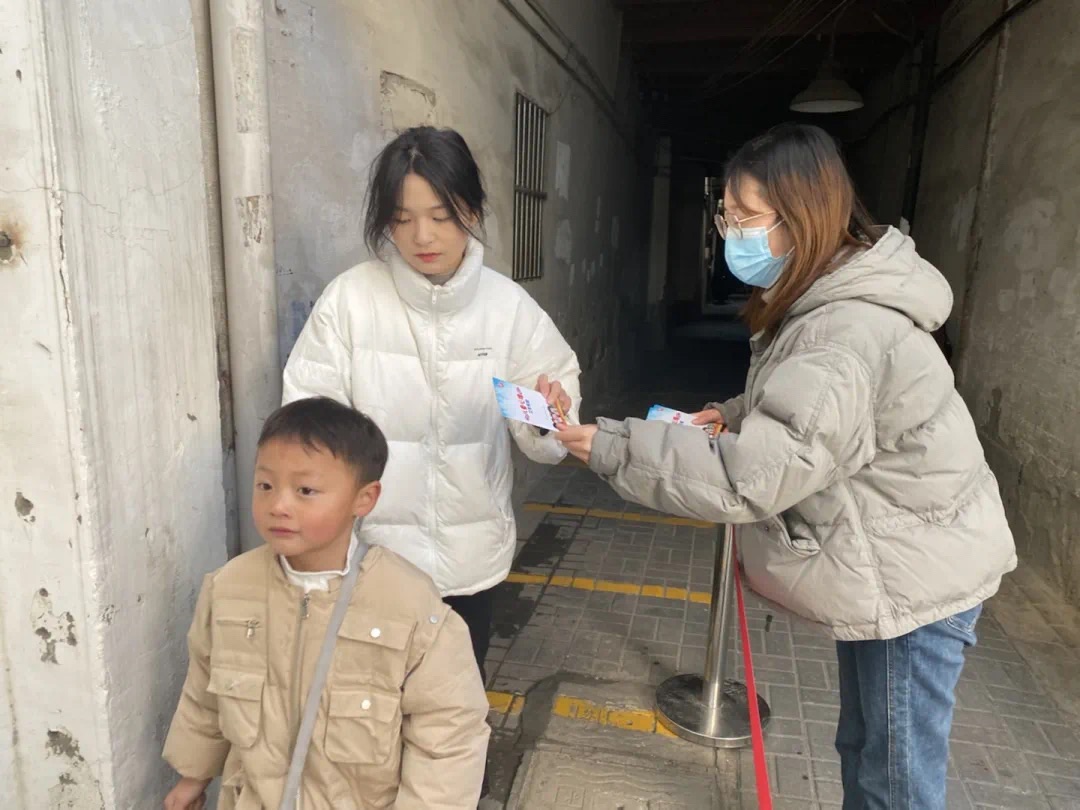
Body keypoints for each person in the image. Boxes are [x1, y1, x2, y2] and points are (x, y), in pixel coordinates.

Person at [555, 123, 1016, 810]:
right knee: (865, 750)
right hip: (895, 564)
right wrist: (731, 414)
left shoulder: (844, 332)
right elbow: (804, 407)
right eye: (726, 215)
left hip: (916, 583)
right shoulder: (828, 302)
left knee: (894, 781)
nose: (730, 233)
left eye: (745, 217)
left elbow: (749, 478)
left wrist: (615, 446)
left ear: (803, 217)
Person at [282, 126, 581, 685]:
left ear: (472, 209)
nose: (422, 235)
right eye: (402, 218)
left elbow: (549, 426)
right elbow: (309, 423)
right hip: (374, 559)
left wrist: (547, 416)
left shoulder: (508, 308)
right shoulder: (350, 301)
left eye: (441, 216)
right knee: (370, 706)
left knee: (457, 703)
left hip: (472, 559)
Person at [162, 397, 489, 810]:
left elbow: (449, 735)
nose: (279, 505)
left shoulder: (410, 605)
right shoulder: (229, 589)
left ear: (364, 498)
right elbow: (204, 696)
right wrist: (192, 778)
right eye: (265, 486)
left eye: (305, 490)